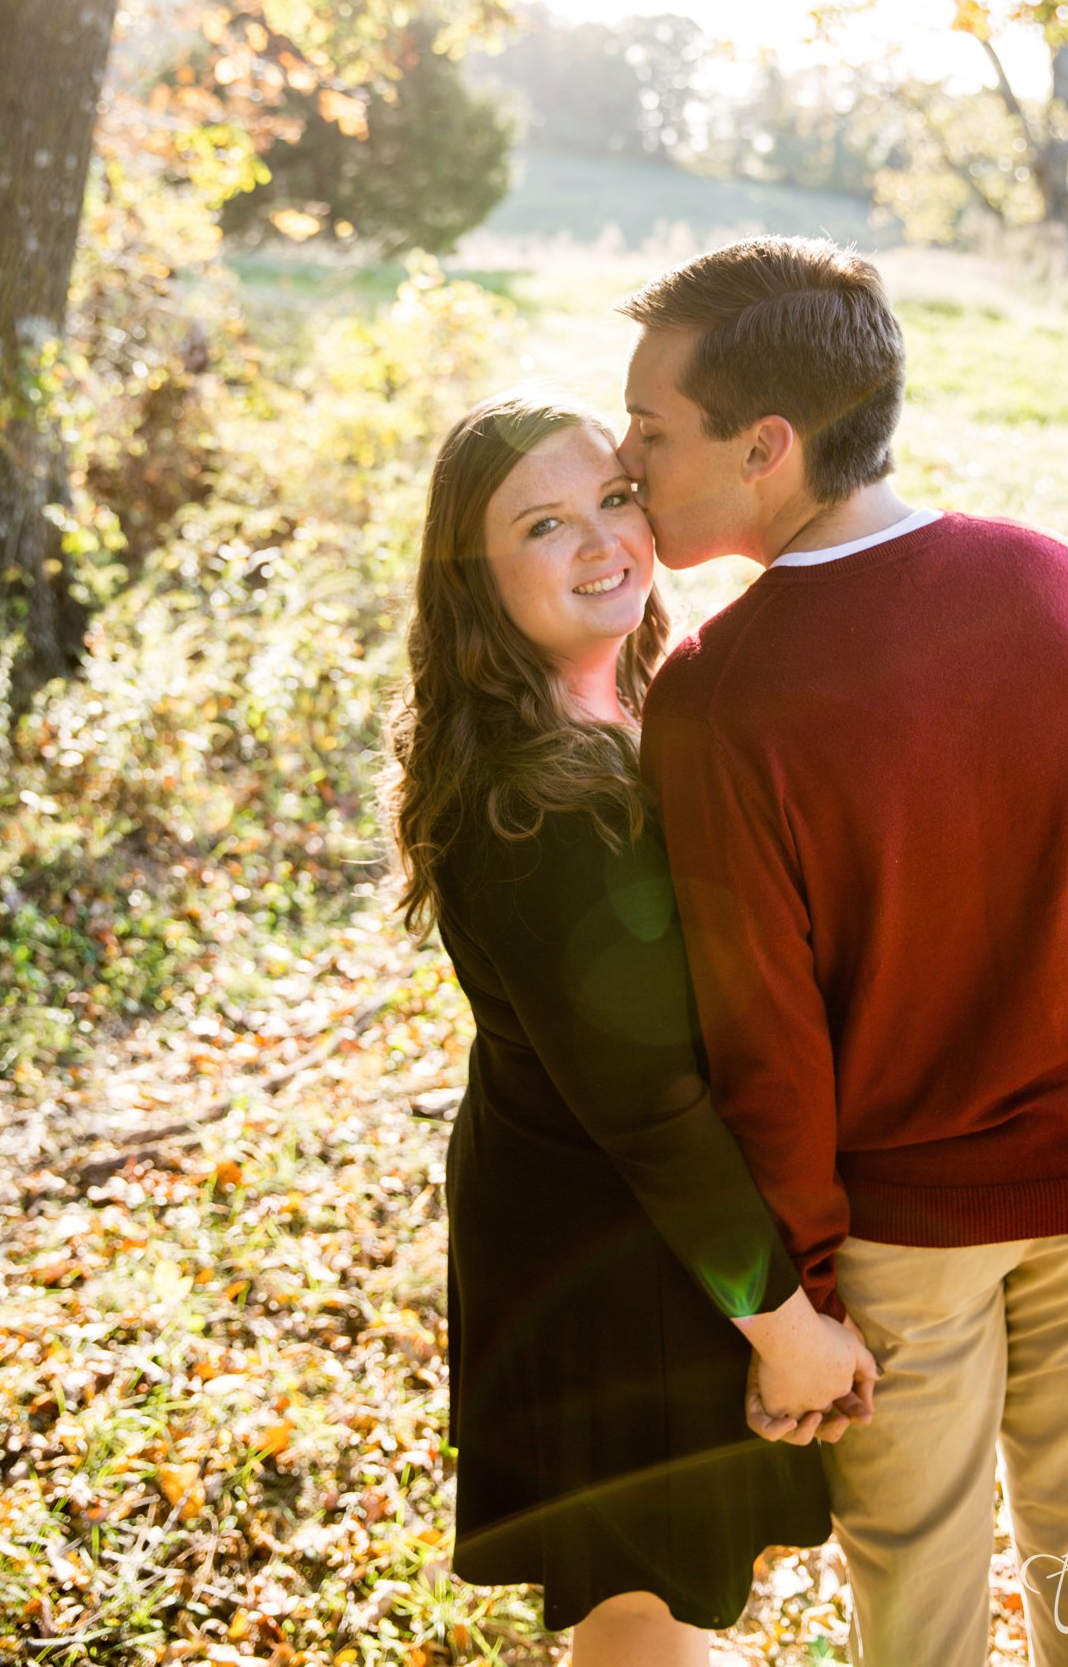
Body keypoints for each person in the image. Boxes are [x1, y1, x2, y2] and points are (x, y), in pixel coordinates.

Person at [616, 236, 1068, 1667]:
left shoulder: (720, 694)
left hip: (907, 1233)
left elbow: (765, 1036)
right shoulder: (1059, 581)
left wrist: (797, 1288)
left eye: (648, 429)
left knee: (919, 1609)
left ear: (764, 447)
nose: (626, 464)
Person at [385, 394, 877, 1667]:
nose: (603, 537)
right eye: (545, 523)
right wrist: (785, 1328)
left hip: (636, 1231)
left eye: (613, 496)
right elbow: (651, 1107)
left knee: (664, 1602)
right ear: (475, 576)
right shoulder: (530, 803)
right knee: (638, 1610)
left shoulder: (622, 710)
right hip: (600, 1257)